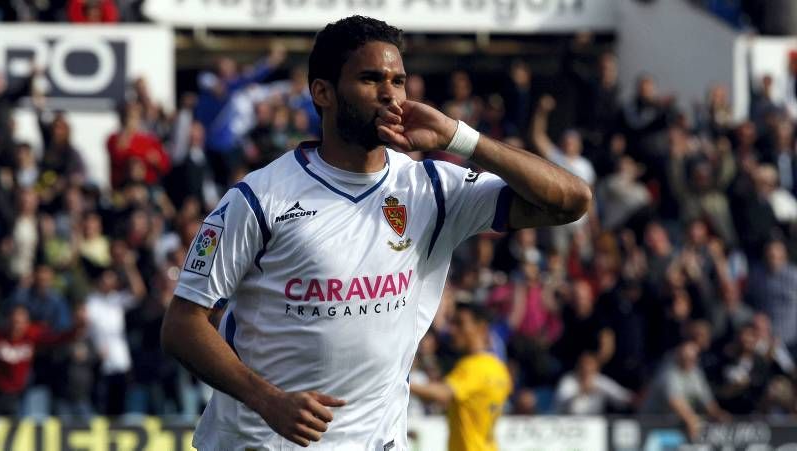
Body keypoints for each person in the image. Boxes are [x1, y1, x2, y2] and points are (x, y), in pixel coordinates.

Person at [161, 15, 590, 450]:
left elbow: (571, 201)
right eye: (370, 79)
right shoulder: (259, 198)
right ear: (322, 92)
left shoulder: (432, 189)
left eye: (399, 80)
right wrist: (266, 400)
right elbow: (183, 325)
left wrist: (460, 138)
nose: (390, 93)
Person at [409, 302, 511, 451]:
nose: (452, 330)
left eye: (460, 324)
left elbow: (443, 395)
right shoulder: (499, 368)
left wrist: (400, 381)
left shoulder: (473, 367)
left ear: (481, 328)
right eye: (452, 323)